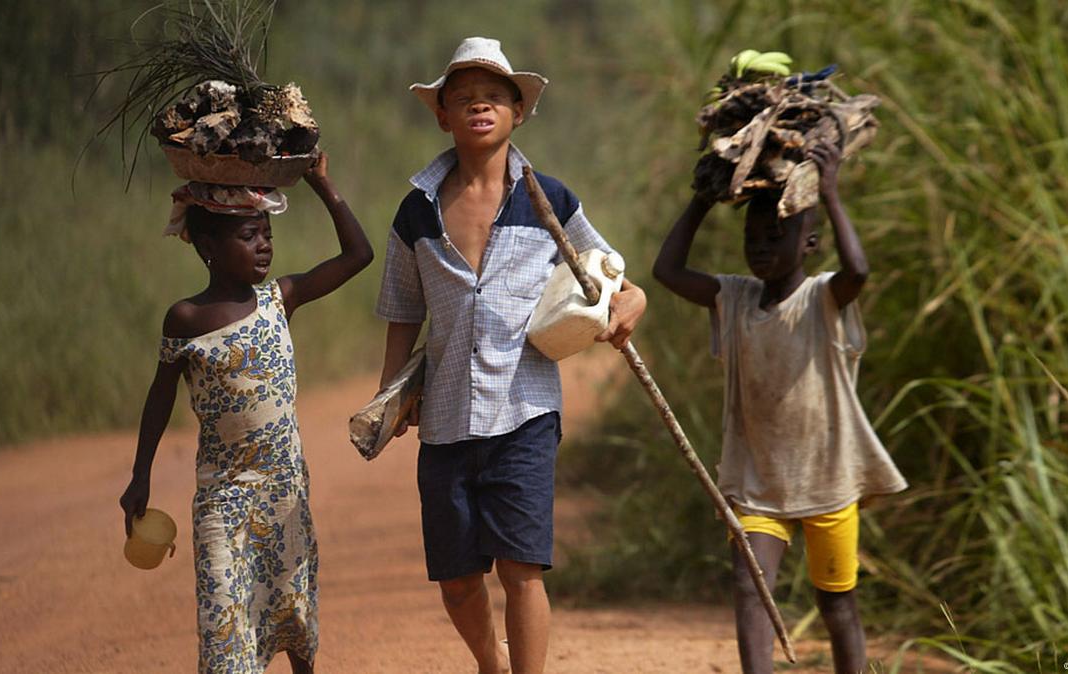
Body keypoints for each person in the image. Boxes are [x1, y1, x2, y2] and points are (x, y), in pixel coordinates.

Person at [374, 37, 647, 674]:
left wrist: (633, 301)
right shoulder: (416, 212)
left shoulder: (549, 200)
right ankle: (489, 663)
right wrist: (391, 394)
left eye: (494, 96)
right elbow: (403, 308)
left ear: (517, 112)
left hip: (526, 410)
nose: (479, 106)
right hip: (445, 417)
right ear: (442, 115)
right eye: (463, 98)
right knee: (457, 580)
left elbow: (610, 275)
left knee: (521, 568)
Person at [651, 141, 907, 674]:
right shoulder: (735, 298)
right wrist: (701, 199)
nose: (761, 247)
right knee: (751, 587)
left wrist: (830, 192)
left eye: (776, 236)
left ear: (810, 243)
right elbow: (667, 271)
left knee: (837, 605)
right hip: (758, 482)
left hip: (828, 481)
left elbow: (858, 271)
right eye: (752, 238)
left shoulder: (822, 298)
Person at [119, 153, 373, 674]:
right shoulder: (186, 318)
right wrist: (140, 474)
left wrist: (323, 184)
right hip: (223, 496)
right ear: (208, 246)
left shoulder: (281, 299)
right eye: (249, 235)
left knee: (294, 612)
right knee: (223, 620)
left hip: (284, 492)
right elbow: (159, 397)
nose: (264, 245)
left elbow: (358, 254)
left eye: (267, 234)